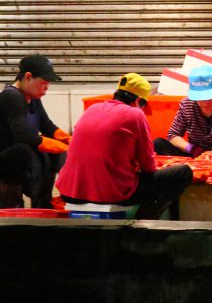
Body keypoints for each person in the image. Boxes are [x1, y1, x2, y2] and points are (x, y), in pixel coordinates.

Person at [56, 73, 193, 220]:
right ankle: (144, 219)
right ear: (139, 100)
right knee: (183, 173)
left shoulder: (92, 109)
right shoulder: (135, 115)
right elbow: (148, 166)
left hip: (69, 192)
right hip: (111, 193)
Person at [0, 55, 71, 208]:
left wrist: (70, 140)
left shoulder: (33, 97)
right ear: (28, 77)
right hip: (8, 158)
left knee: (56, 151)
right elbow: (22, 136)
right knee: (24, 150)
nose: (46, 88)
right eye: (43, 83)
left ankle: (42, 202)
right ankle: (16, 202)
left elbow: (47, 126)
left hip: (25, 152)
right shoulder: (11, 97)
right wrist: (63, 147)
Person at [154, 66, 212, 157]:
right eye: (200, 98)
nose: (205, 102)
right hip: (195, 154)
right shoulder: (186, 104)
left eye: (209, 97)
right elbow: (173, 135)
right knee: (158, 144)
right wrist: (192, 149)